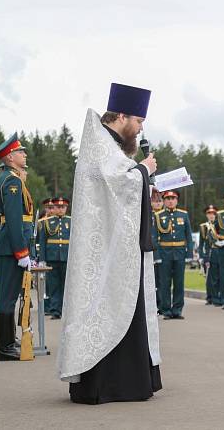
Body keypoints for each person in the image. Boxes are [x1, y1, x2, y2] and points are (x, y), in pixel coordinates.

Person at [58, 82, 162, 404]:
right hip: (105, 251)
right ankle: (110, 385)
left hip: (116, 247)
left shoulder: (109, 147)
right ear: (122, 116)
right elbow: (120, 183)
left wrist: (141, 176)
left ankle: (125, 381)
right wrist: (143, 170)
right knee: (107, 306)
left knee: (122, 306)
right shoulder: (102, 146)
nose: (140, 129)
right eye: (139, 121)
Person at [0, 133, 34, 361]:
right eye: (20, 151)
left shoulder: (9, 178)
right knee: (7, 297)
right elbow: (15, 219)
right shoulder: (12, 181)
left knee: (9, 295)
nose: (24, 154)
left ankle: (8, 340)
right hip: (11, 246)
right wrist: (22, 252)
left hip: (9, 245)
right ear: (9, 157)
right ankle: (5, 346)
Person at [154, 190, 193, 320]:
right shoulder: (158, 215)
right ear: (164, 201)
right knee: (164, 283)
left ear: (177, 200)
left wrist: (189, 253)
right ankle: (166, 310)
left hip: (180, 253)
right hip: (164, 253)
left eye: (173, 198)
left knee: (179, 282)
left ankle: (177, 310)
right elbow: (154, 237)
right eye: (168, 199)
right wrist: (156, 256)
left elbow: (188, 236)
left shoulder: (183, 214)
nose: (170, 201)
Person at [38, 197, 71, 319]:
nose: (61, 209)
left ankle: (65, 309)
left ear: (66, 208)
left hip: (66, 257)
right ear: (54, 208)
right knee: (53, 285)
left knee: (66, 285)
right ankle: (55, 310)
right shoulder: (47, 222)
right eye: (58, 207)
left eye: (63, 207)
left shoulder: (71, 221)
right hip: (52, 257)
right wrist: (42, 259)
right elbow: (42, 242)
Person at [198, 204, 222, 306]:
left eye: (213, 213)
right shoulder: (204, 227)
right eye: (209, 213)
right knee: (210, 278)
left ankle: (219, 296)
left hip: (220, 252)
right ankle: (211, 297)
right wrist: (201, 256)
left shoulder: (220, 224)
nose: (211, 215)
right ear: (206, 215)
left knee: (221, 276)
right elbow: (201, 244)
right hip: (210, 253)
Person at [150, 189, 165, 311]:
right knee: (153, 281)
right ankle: (154, 304)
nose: (158, 203)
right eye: (155, 201)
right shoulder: (148, 215)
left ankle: (162, 305)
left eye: (160, 201)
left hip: (165, 252)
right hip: (152, 252)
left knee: (162, 281)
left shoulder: (166, 215)